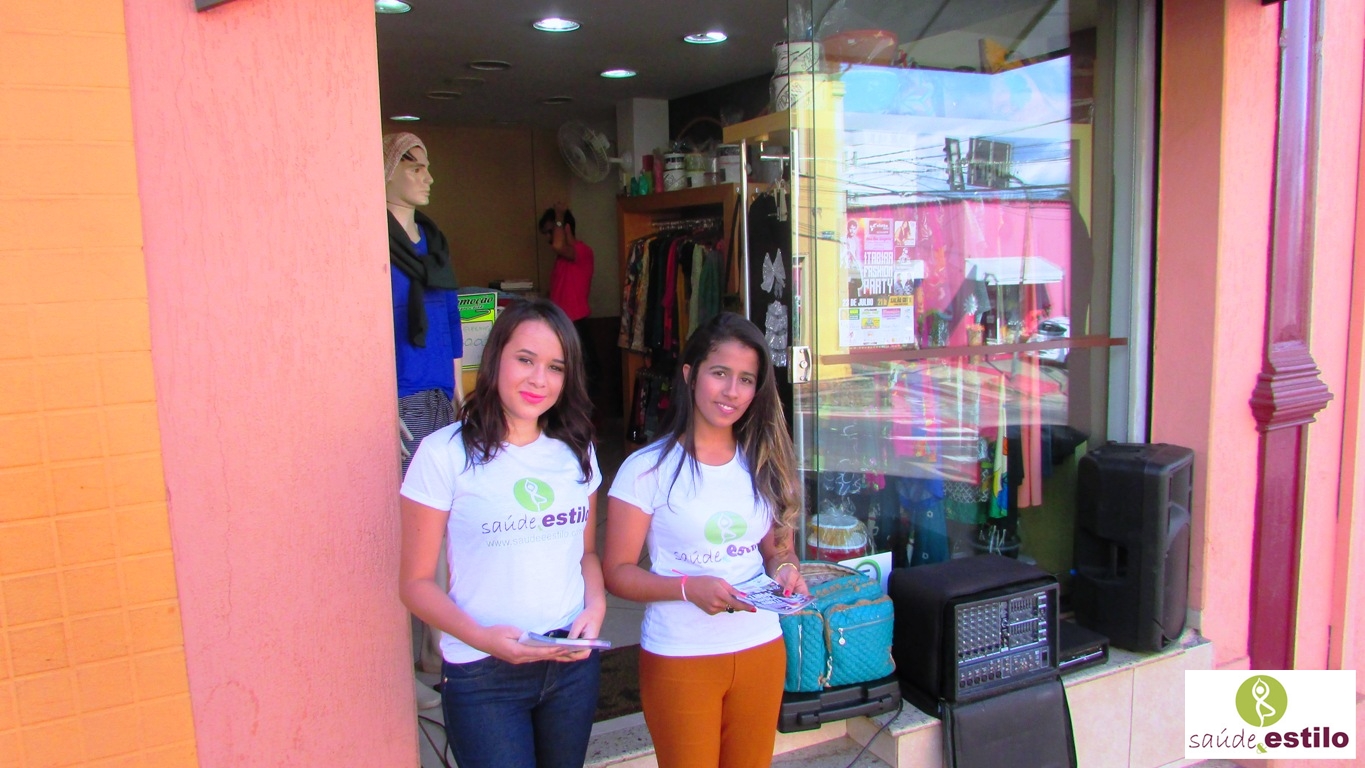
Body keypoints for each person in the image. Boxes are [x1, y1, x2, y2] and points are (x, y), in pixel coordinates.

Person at [399, 297, 604, 768]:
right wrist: (482, 638)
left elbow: (587, 555)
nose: (539, 379)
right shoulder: (444, 454)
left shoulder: (577, 449)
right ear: (495, 358)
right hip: (482, 673)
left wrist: (595, 607)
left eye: (555, 367)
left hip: (570, 665)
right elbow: (414, 584)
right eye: (525, 360)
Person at [602, 312, 808, 768]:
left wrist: (787, 571)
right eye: (719, 373)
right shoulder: (647, 469)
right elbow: (617, 573)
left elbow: (778, 551)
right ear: (690, 375)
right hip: (682, 655)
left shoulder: (765, 461)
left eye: (746, 379)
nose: (732, 391)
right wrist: (686, 588)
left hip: (761, 648)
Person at [384, 131, 465, 707]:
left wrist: (461, 392)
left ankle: (437, 647)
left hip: (441, 396)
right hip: (400, 399)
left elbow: (453, 323)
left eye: (427, 165)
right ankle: (420, 654)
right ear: (386, 171)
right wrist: (380, 401)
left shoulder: (435, 242)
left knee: (448, 524)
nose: (427, 176)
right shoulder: (369, 242)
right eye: (414, 166)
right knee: (413, 531)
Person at [539, 203, 601, 395]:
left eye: (551, 231)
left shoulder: (582, 251)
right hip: (559, 325)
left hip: (575, 325)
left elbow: (558, 245)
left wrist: (559, 215)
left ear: (565, 228)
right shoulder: (561, 260)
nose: (549, 239)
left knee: (583, 383)